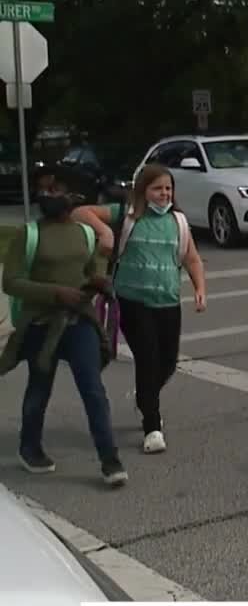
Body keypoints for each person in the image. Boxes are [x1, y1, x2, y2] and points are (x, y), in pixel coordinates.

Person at [0, 166, 127, 486]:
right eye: (44, 190)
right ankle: (30, 447)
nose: (48, 195)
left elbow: (88, 268)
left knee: (93, 390)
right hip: (41, 325)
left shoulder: (83, 233)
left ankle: (109, 459)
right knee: (39, 389)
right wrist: (55, 292)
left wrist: (97, 279)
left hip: (79, 322)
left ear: (73, 197)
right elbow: (11, 282)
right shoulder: (28, 235)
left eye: (55, 190)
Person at [72, 164, 207, 454]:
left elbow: (192, 258)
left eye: (168, 188)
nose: (164, 194)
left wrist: (199, 289)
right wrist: (104, 232)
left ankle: (146, 398)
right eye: (157, 188)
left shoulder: (178, 222)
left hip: (168, 303)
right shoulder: (128, 216)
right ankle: (152, 426)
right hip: (133, 304)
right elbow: (80, 213)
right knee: (147, 358)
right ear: (142, 190)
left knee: (167, 364)